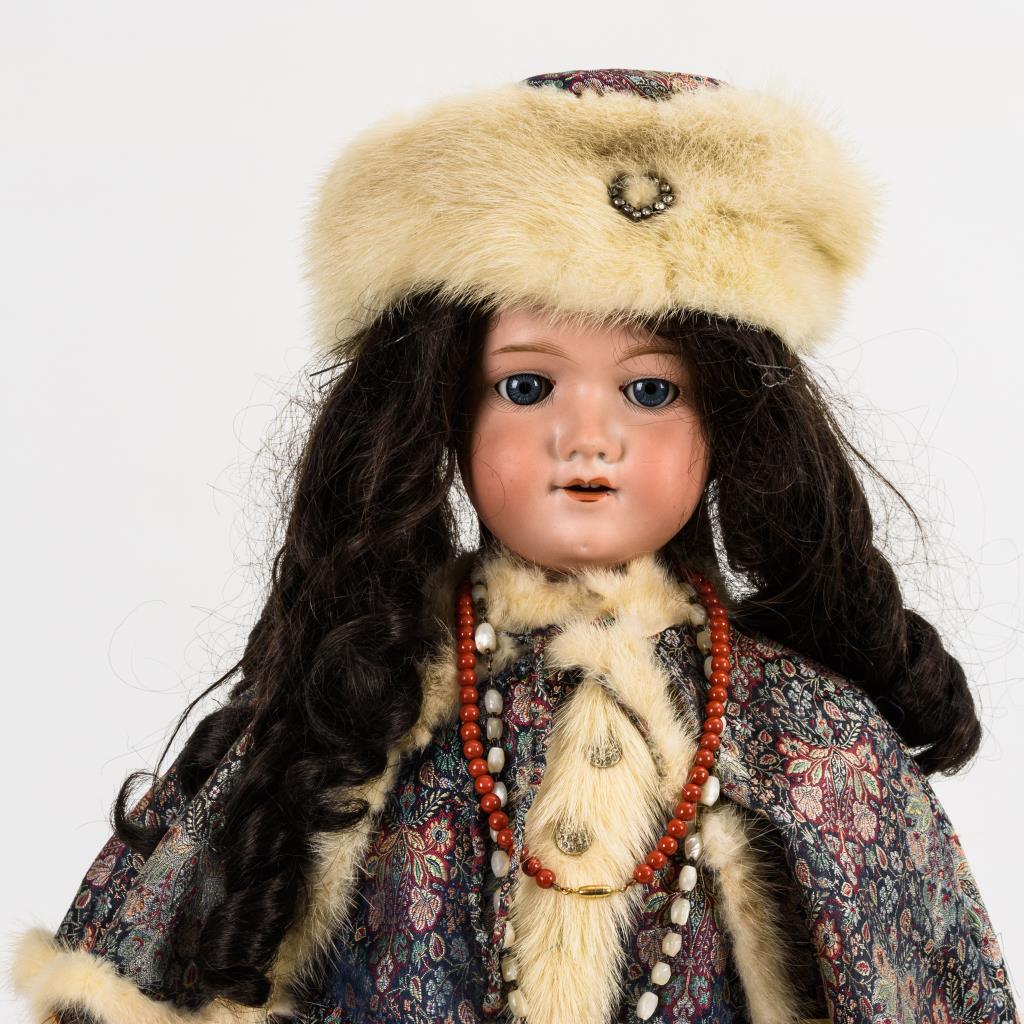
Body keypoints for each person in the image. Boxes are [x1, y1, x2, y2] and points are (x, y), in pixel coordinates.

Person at [10, 68, 1019, 1024]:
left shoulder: (813, 740)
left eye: (651, 389)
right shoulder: (341, 727)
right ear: (439, 412)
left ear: (737, 427)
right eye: (527, 386)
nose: (588, 437)